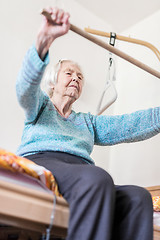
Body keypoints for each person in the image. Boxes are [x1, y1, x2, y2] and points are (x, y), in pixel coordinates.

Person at [16, 7, 155, 240]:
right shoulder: (40, 106)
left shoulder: (87, 122)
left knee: (139, 197)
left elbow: (129, 125)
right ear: (52, 83)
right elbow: (24, 90)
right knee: (96, 177)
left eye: (80, 77)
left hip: (80, 173)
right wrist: (42, 44)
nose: (76, 78)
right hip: (41, 163)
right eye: (69, 73)